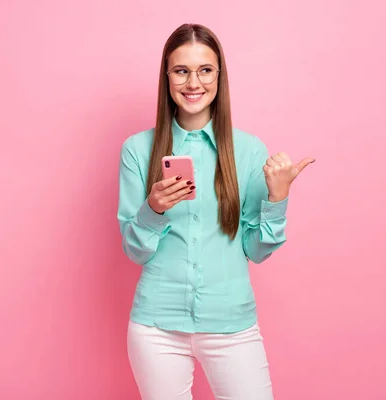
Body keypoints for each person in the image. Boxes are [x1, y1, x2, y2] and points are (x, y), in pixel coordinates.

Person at [117, 23, 314, 400]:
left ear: (219, 77)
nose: (194, 83)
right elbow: (135, 250)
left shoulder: (249, 150)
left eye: (205, 70)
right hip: (157, 328)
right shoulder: (137, 150)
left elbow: (256, 250)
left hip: (231, 325)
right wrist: (153, 209)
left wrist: (278, 197)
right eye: (181, 70)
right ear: (167, 77)